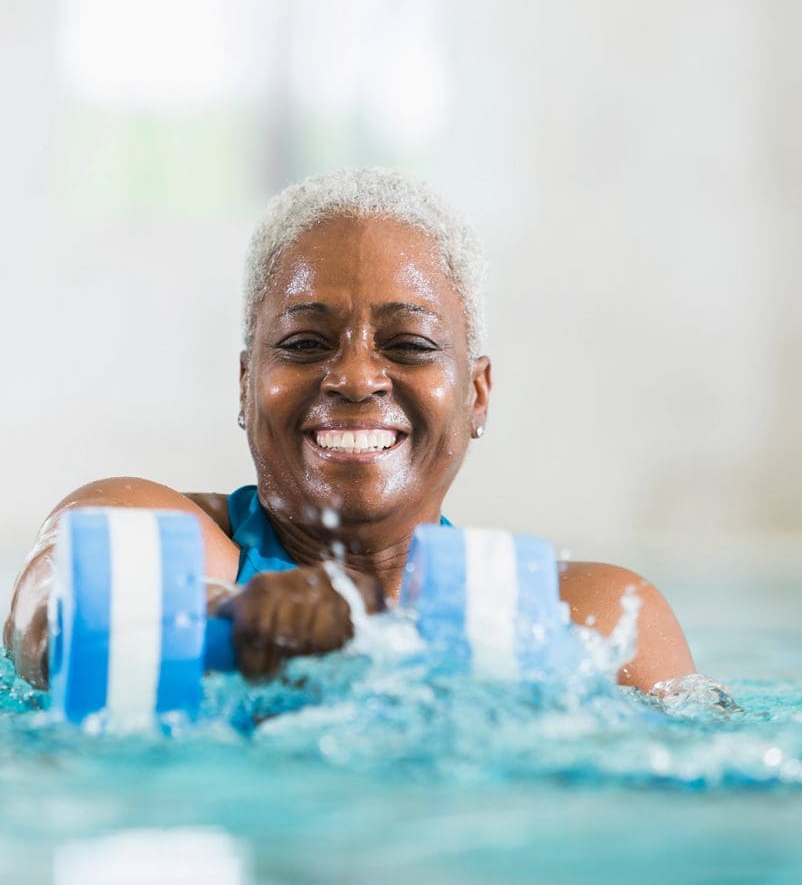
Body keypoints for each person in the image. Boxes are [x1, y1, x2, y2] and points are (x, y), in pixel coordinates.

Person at [4, 169, 695, 691]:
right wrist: (233, 619)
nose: (356, 378)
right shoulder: (155, 525)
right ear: (246, 384)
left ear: (477, 395)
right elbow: (49, 614)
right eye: (305, 343)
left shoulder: (589, 615)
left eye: (411, 345)